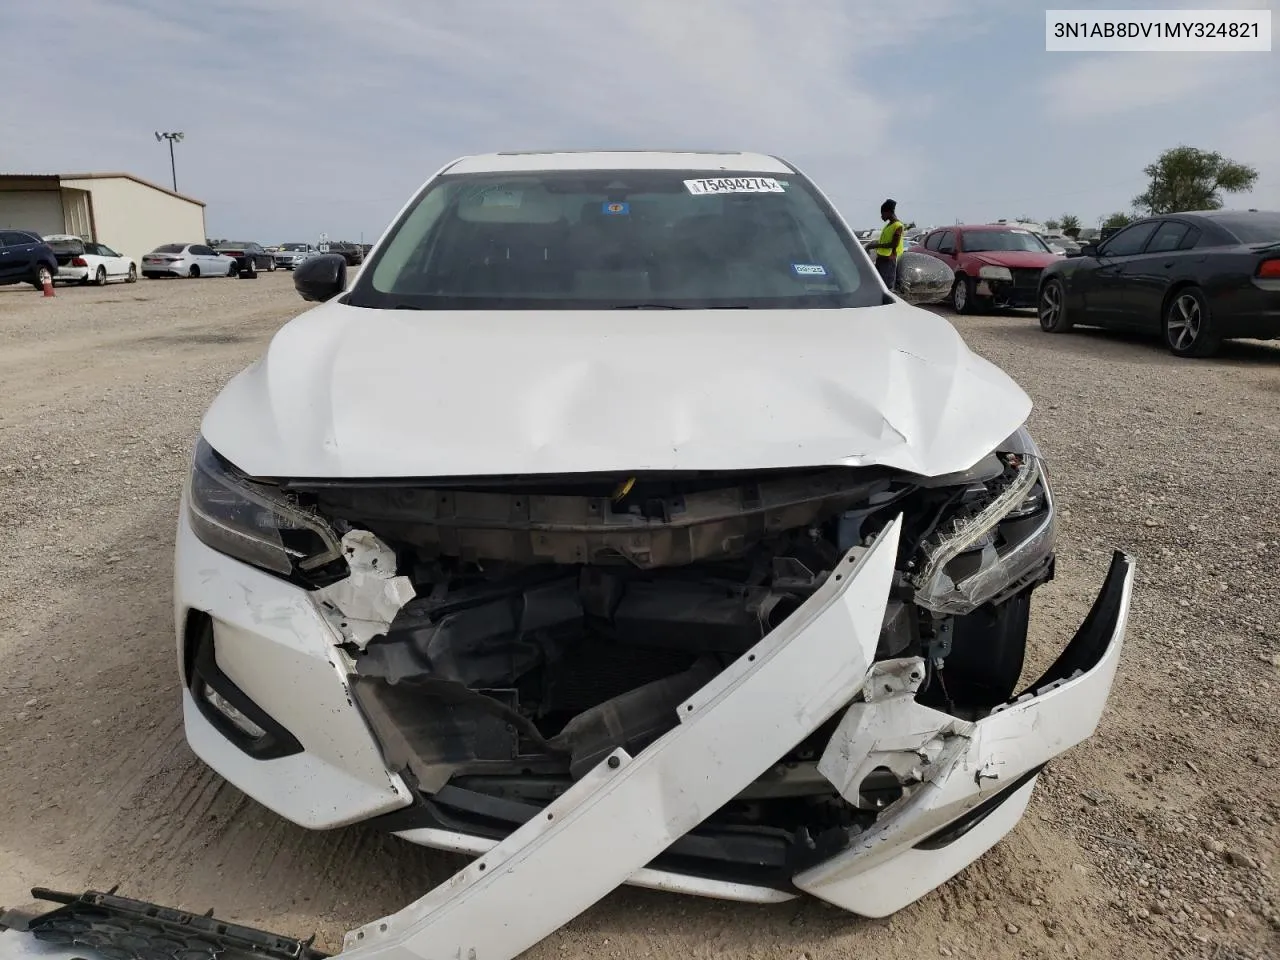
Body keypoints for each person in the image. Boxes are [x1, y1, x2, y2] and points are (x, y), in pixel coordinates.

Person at [872, 199, 905, 290]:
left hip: (889, 260)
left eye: (883, 213)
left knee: (887, 287)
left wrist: (875, 246)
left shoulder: (898, 226)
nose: (881, 216)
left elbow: (894, 244)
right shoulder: (888, 225)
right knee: (879, 284)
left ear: (889, 212)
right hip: (882, 258)